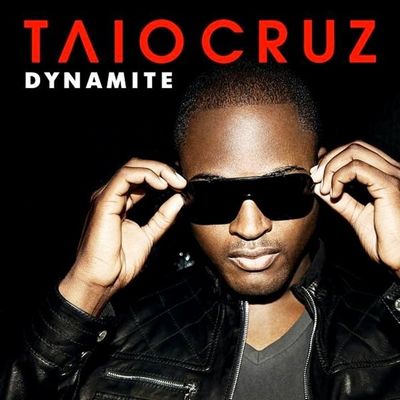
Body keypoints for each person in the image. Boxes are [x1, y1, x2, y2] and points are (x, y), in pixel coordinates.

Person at [1, 64, 399, 400]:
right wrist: (86, 288)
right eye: (214, 197)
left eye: (281, 191)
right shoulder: (124, 335)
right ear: (179, 185)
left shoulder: (387, 325)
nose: (249, 227)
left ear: (325, 174)